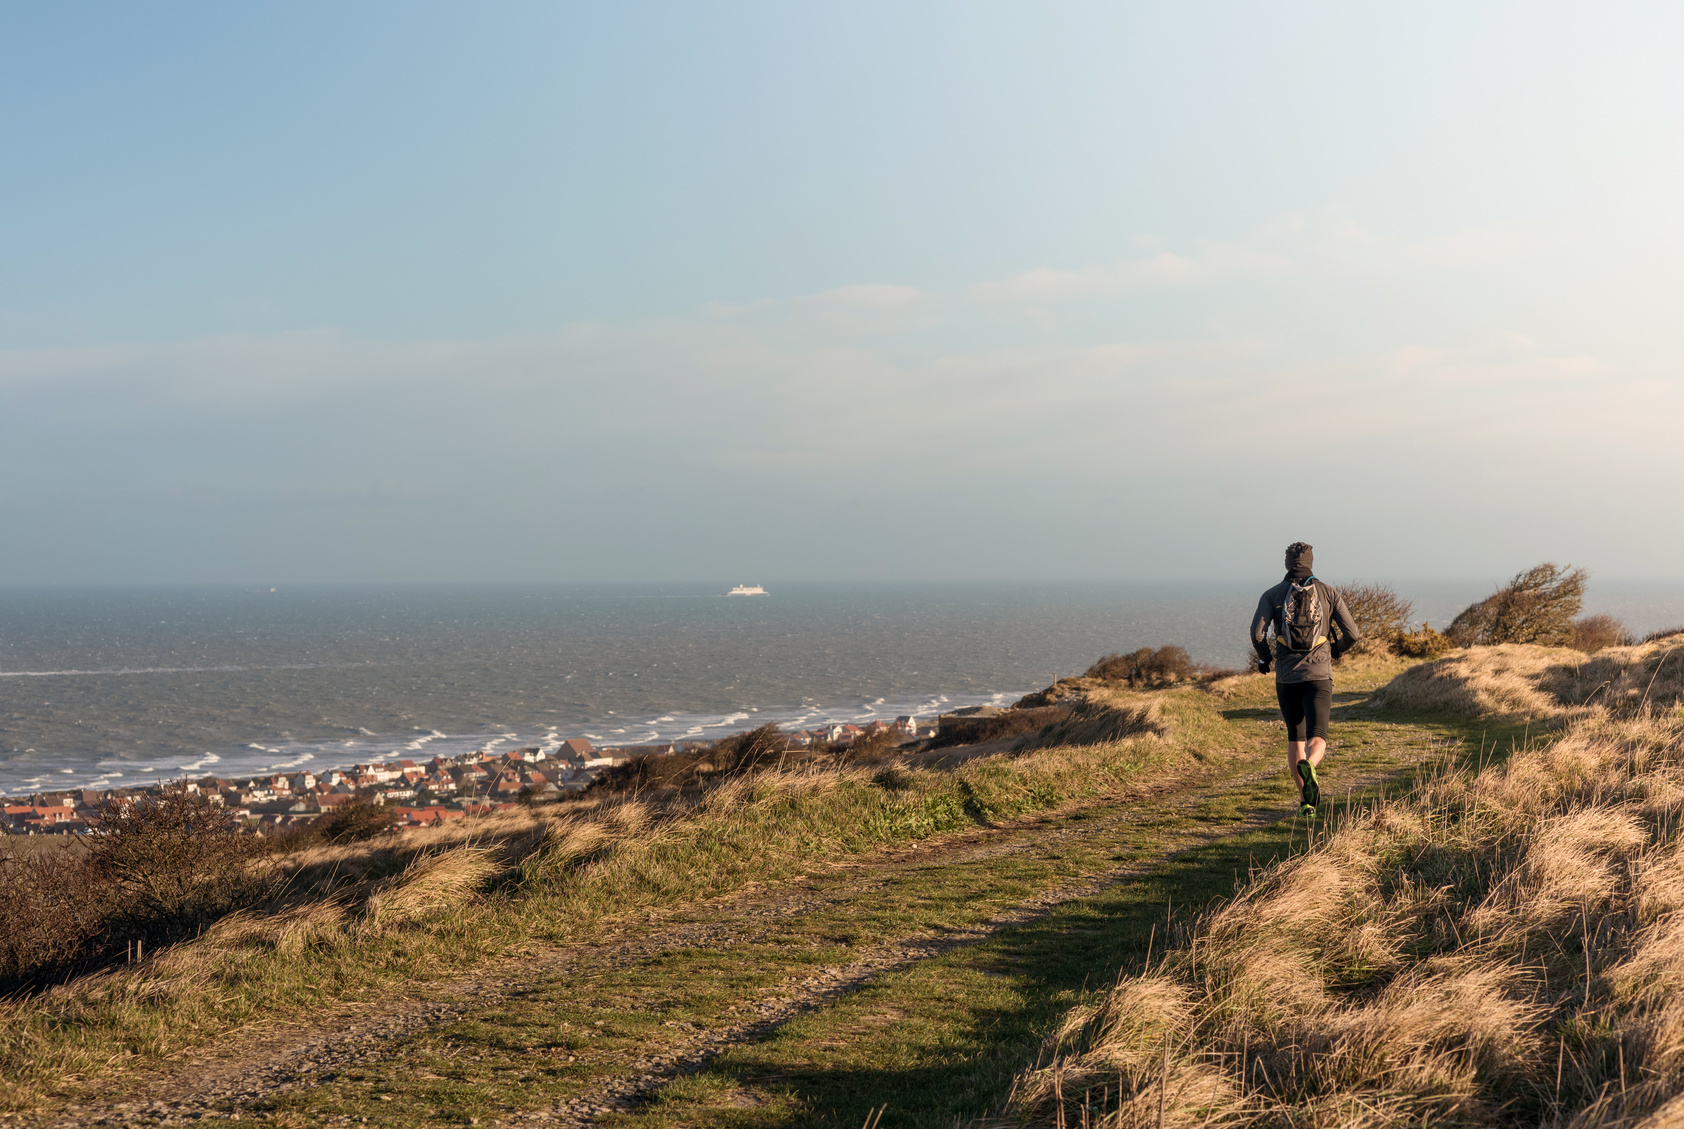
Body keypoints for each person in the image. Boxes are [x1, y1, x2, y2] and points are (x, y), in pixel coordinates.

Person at [1250, 542, 1360, 817]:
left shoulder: (1272, 594)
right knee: (1318, 735)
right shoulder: (1328, 592)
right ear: (1311, 562)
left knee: (1295, 738)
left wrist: (1266, 658)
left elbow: (1257, 634)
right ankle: (1311, 764)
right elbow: (1353, 634)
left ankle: (1306, 803)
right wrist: (1336, 649)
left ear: (1287, 563)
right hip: (1319, 675)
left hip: (1287, 678)